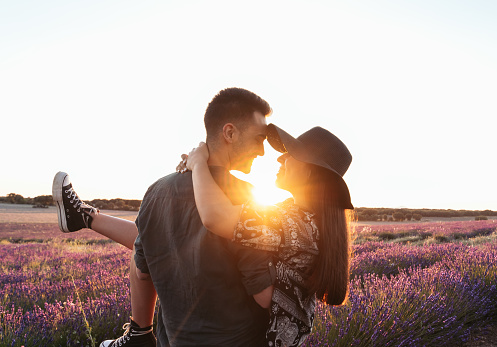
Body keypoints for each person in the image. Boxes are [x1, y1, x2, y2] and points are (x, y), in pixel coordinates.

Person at [52, 87, 276, 347]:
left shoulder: (158, 191)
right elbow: (265, 297)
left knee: (147, 244)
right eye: (259, 138)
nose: (262, 151)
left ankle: (84, 216)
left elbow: (143, 269)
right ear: (229, 132)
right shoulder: (250, 199)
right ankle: (84, 216)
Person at [182, 124, 353, 346]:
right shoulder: (310, 221)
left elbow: (214, 216)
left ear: (309, 171)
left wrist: (197, 164)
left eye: (290, 154)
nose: (280, 159)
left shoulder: (291, 222)